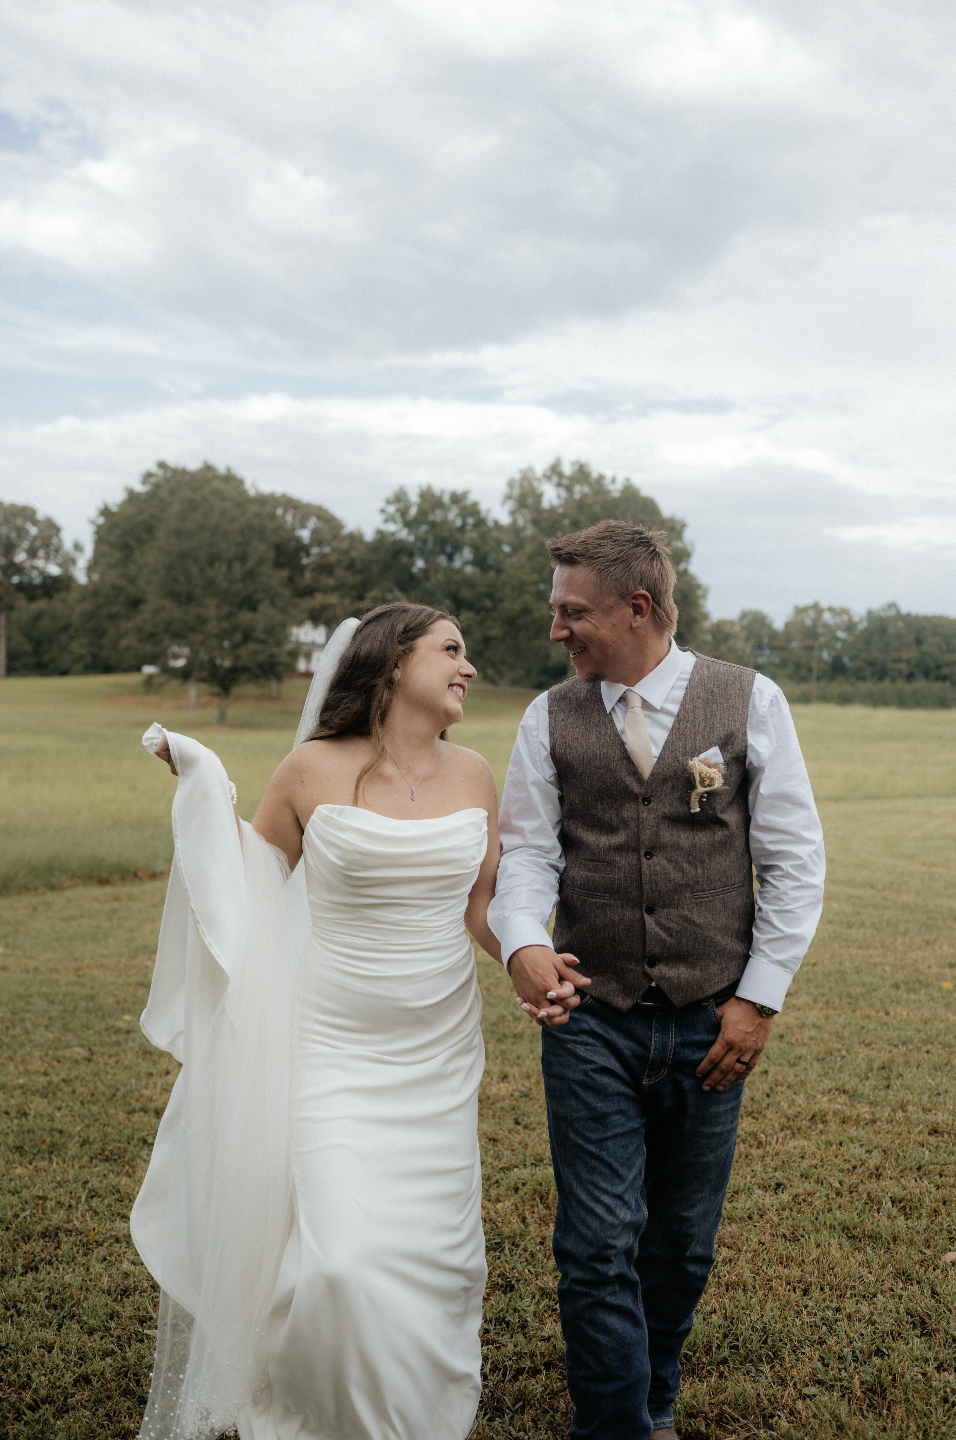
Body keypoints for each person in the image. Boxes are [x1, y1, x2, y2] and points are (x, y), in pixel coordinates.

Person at [487, 521, 825, 1440]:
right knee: (596, 1246)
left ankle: (656, 1401)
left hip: (712, 1021)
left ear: (637, 608)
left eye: (571, 612)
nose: (557, 630)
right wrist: (521, 940)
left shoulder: (749, 701)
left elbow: (794, 862)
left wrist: (756, 1001)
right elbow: (524, 859)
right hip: (589, 1021)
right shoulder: (546, 717)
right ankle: (615, 1429)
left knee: (680, 1245)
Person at [131, 602, 501, 1440]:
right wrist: (202, 784)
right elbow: (249, 877)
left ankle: (415, 1417)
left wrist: (533, 962)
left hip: (438, 1056)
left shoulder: (476, 772)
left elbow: (485, 908)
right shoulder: (310, 768)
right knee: (339, 1262)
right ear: (394, 660)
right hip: (335, 1048)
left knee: (430, 1262)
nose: (467, 666)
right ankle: (314, 1413)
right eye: (452, 649)